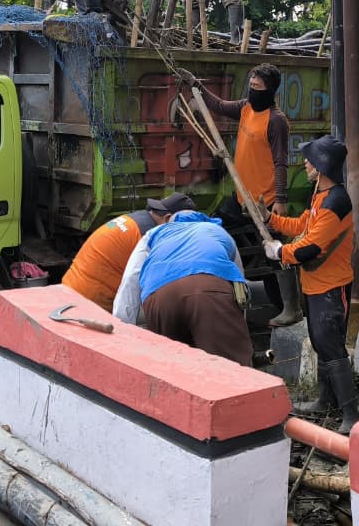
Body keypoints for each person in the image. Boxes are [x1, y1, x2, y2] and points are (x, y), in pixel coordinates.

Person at [174, 63, 297, 325]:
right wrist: (196, 84)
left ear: (270, 91)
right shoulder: (245, 108)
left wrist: (280, 200)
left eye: (257, 87)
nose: (252, 90)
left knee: (274, 254)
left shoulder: (276, 121)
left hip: (264, 202)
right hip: (241, 197)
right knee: (214, 228)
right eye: (251, 85)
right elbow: (218, 105)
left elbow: (281, 162)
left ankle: (290, 309)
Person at [262, 136, 359, 434]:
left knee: (331, 346)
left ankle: (350, 414)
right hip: (316, 284)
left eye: (310, 159)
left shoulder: (335, 202)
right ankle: (326, 401)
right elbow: (303, 226)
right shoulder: (320, 195)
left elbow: (312, 247)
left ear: (322, 166)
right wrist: (271, 220)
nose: (305, 163)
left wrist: (281, 252)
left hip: (331, 286)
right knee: (320, 342)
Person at [113, 210, 252, 366]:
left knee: (174, 369)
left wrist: (122, 332)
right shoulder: (218, 231)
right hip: (209, 291)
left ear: (170, 221)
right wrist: (238, 327)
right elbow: (239, 280)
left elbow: (131, 277)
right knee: (229, 367)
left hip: (160, 297)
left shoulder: (154, 233)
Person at [62, 192, 196, 311]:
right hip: (92, 303)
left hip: (69, 288)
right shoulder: (148, 236)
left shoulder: (134, 220)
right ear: (167, 218)